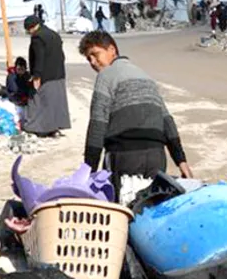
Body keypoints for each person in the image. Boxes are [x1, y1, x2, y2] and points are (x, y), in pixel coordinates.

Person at [79, 30, 193, 192]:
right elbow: (167, 121)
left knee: (123, 204)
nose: (93, 62)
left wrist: (88, 172)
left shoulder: (105, 76)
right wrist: (181, 161)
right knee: (150, 203)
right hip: (156, 157)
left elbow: (98, 125)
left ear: (112, 49)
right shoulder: (145, 77)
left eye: (95, 54)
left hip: (124, 156)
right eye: (88, 58)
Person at [23, 16, 71, 137]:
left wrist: (37, 75)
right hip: (59, 74)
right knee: (55, 103)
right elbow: (62, 56)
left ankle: (35, 127)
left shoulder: (37, 38)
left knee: (37, 100)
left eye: (28, 30)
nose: (28, 33)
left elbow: (39, 57)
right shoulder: (54, 34)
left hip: (45, 75)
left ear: (32, 27)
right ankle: (54, 128)